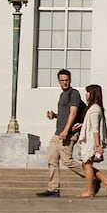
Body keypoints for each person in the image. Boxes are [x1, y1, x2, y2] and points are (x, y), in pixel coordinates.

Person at [36, 69, 86, 197]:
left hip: (67, 133)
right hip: (57, 133)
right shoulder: (62, 95)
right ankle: (53, 189)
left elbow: (73, 113)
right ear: (58, 81)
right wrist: (55, 116)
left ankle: (91, 176)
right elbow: (66, 114)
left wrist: (65, 130)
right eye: (62, 81)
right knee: (52, 160)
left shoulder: (73, 94)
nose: (64, 83)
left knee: (67, 161)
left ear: (70, 80)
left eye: (66, 80)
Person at [73, 84, 107, 198]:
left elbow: (95, 129)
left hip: (91, 141)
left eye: (87, 92)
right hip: (91, 140)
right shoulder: (94, 109)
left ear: (92, 94)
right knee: (86, 165)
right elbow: (92, 125)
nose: (85, 95)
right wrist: (82, 125)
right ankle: (106, 181)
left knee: (87, 164)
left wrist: (97, 145)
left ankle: (89, 190)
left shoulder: (94, 109)